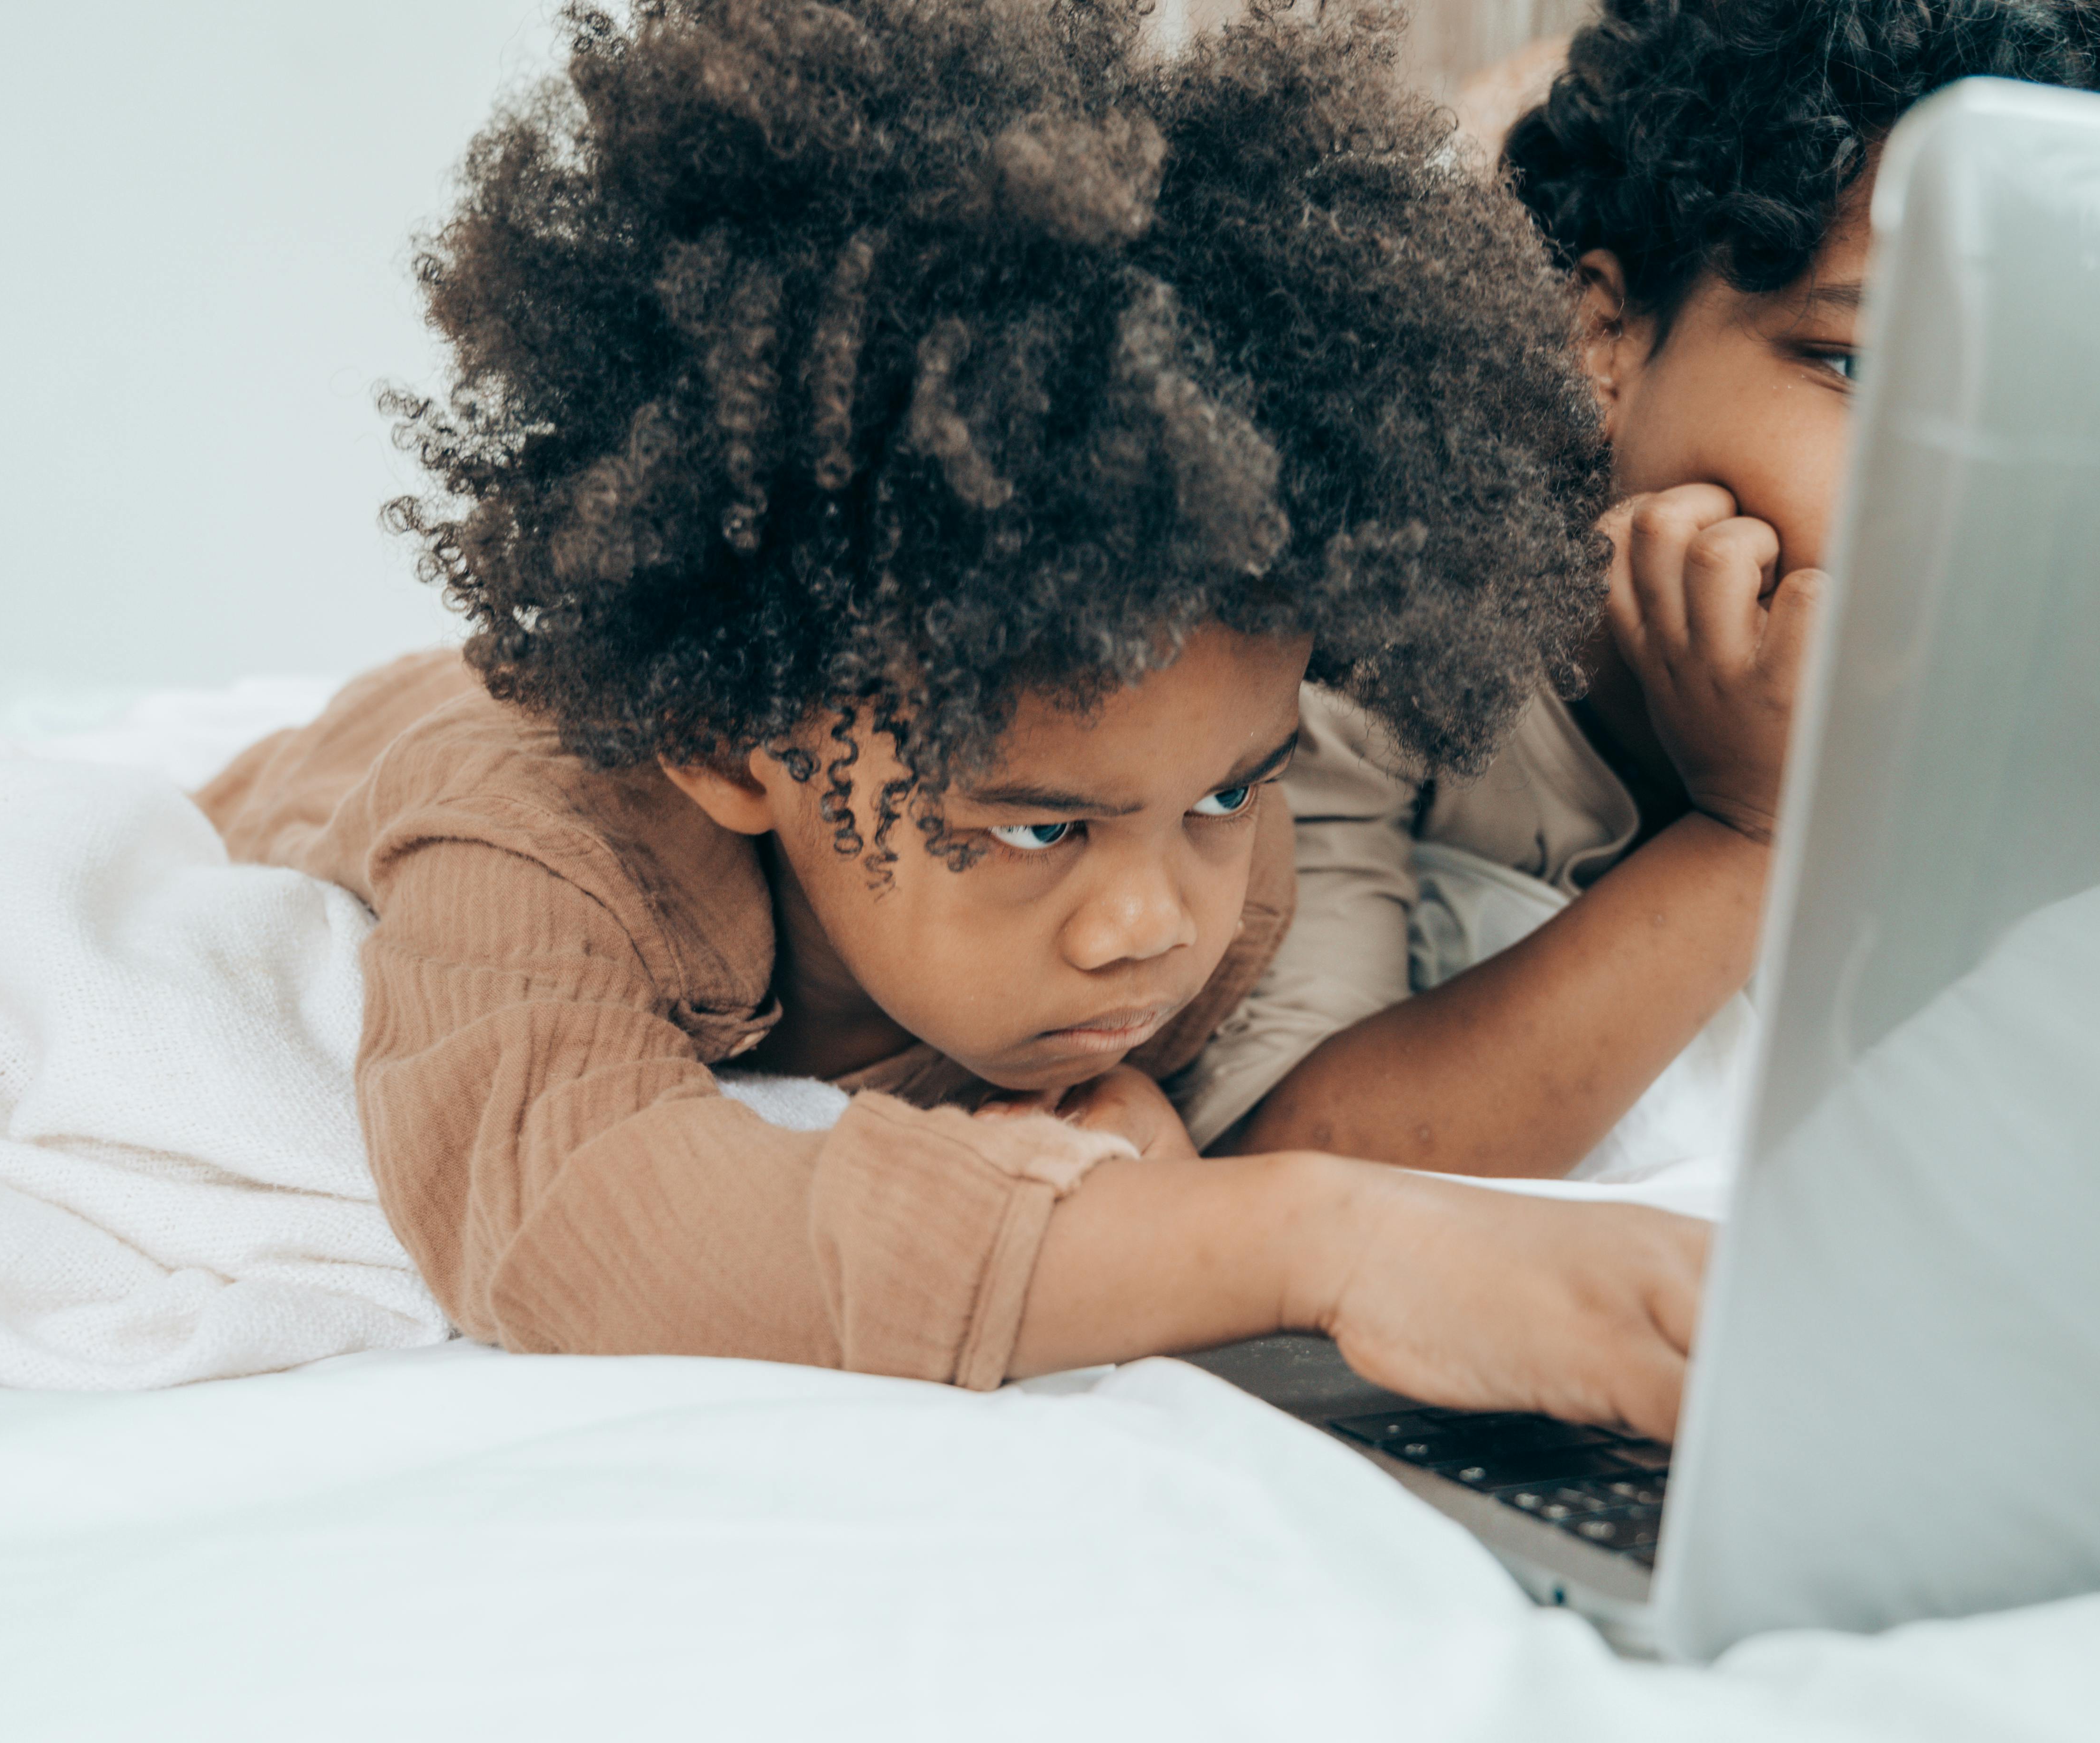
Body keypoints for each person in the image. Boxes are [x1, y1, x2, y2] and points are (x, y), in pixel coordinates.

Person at [194, 0, 1713, 1435]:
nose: (1151, 925)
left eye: (1225, 797)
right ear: (735, 741)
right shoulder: (537, 831)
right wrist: (1319, 1242)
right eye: (1039, 825)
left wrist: (1113, 1113)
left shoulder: (1200, 867)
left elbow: (1170, 1057)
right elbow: (574, 1216)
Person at [1191, 0, 2100, 1181]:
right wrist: (1747, 833)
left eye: (2043, 410)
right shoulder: (1376, 655)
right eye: (1859, 367)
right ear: (1602, 336)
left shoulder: (2042, 707)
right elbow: (1277, 1164)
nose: (1951, 482)